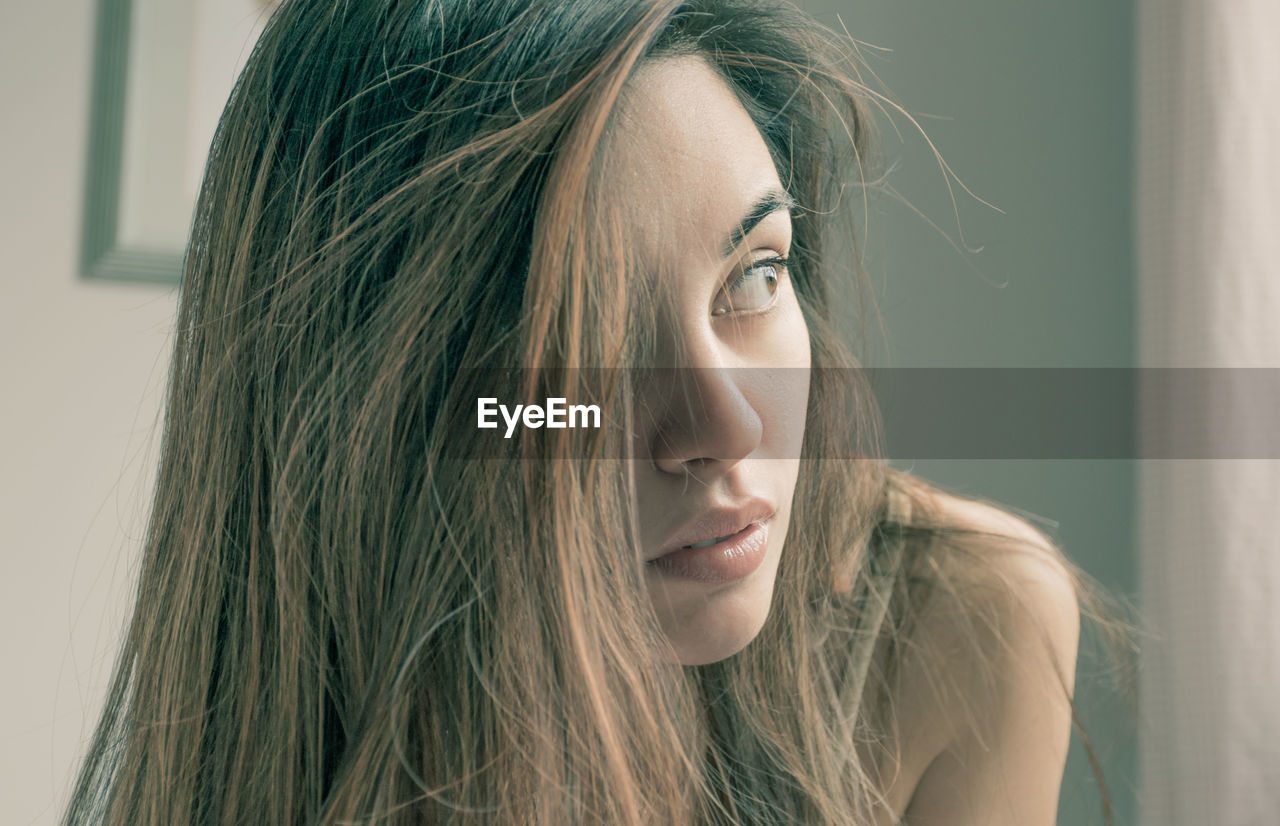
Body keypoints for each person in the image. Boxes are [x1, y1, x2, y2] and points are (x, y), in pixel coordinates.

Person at [64, 1, 1107, 823]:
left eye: (754, 274)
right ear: (369, 426)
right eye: (581, 342)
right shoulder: (300, 728)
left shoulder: (953, 620)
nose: (728, 427)